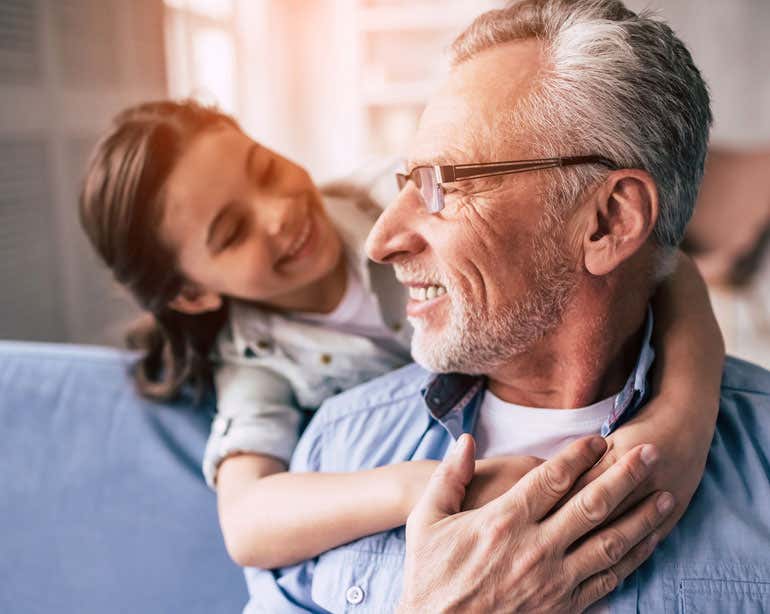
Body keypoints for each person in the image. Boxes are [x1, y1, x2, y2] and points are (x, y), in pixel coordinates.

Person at [78, 94, 720, 597]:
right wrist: (421, 486)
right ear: (192, 297)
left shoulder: (393, 193)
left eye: (264, 169)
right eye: (231, 231)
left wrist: (682, 418)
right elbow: (246, 522)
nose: (276, 212)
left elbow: (664, 263)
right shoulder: (256, 363)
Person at [246, 0, 770, 612]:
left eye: (444, 184)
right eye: (406, 182)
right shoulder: (335, 451)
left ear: (608, 221)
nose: (381, 241)